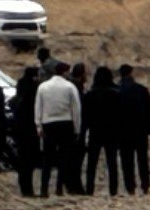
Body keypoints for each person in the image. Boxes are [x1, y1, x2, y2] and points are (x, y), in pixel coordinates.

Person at [35, 64, 81, 197]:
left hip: (48, 123)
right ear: (65, 72)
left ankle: (44, 189)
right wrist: (77, 128)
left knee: (47, 159)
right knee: (63, 158)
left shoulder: (43, 87)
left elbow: (38, 107)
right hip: (66, 124)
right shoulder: (69, 87)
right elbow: (76, 110)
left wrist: (38, 125)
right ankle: (59, 188)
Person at [114, 64, 150, 196]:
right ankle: (145, 184)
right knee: (142, 159)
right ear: (131, 73)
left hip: (123, 131)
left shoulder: (116, 91)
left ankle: (130, 186)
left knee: (126, 160)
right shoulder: (141, 90)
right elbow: (149, 110)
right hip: (140, 129)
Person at [81, 67, 121, 196]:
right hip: (112, 131)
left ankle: (89, 188)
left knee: (92, 163)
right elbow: (121, 116)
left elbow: (85, 117)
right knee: (112, 162)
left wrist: (83, 134)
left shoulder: (90, 95)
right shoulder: (116, 94)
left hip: (95, 131)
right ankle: (113, 189)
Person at [11, 66, 40, 198]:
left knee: (22, 160)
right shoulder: (34, 90)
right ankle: (28, 190)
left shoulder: (19, 93)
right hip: (31, 129)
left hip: (19, 129)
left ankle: (24, 188)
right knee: (30, 161)